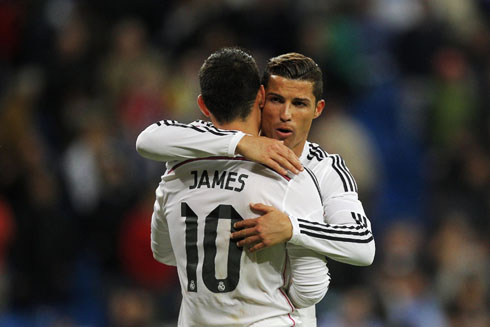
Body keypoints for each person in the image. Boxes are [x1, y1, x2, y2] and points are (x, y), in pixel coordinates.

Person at [142, 47, 329, 326]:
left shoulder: (175, 172)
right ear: (262, 97)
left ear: (203, 105)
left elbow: (163, 252)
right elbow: (309, 289)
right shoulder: (288, 172)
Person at [137, 52, 375, 265]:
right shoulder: (222, 143)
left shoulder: (324, 168)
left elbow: (363, 246)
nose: (286, 115)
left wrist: (293, 229)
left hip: (286, 310)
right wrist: (241, 143)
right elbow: (149, 139)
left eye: (299, 104)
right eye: (277, 100)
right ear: (261, 98)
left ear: (318, 109)